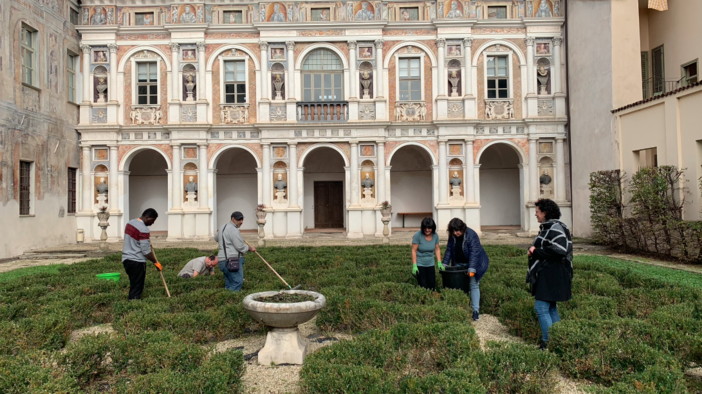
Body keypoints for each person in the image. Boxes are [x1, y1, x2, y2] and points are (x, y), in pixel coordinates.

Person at [526, 199, 573, 350]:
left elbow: (560, 250)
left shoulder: (555, 227)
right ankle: (558, 340)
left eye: (537, 212)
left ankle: (547, 343)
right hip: (550, 272)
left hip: (554, 273)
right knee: (551, 307)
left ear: (545, 213)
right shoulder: (548, 228)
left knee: (540, 307)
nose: (535, 214)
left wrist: (536, 252)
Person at [442, 218, 489, 321]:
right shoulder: (452, 235)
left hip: (474, 263)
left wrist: (471, 269)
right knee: (459, 286)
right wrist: (444, 264)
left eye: (457, 231)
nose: (455, 233)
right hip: (459, 262)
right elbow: (449, 249)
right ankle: (462, 309)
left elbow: (474, 253)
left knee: (473, 285)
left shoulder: (471, 235)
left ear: (462, 228)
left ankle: (475, 311)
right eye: (453, 231)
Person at [122, 208, 161, 300]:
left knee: (133, 284)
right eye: (152, 220)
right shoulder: (144, 230)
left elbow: (136, 238)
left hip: (126, 260)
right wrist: (156, 262)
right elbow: (146, 252)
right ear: (147, 217)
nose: (152, 223)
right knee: (137, 288)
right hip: (137, 262)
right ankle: (133, 308)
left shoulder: (130, 223)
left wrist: (145, 238)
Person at [215, 211, 256, 291]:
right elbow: (239, 247)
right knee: (237, 282)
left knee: (229, 282)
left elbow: (216, 238)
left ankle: (226, 300)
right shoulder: (234, 230)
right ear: (233, 219)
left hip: (222, 261)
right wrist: (249, 248)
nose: (241, 222)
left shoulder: (222, 227)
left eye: (242, 219)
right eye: (239, 220)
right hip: (232, 261)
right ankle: (229, 299)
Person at [411, 217, 441, 290]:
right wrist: (415, 265)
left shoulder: (435, 235)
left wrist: (439, 262)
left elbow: (437, 249)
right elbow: (414, 250)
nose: (427, 230)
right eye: (425, 228)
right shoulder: (418, 235)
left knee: (432, 284)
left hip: (430, 263)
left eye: (429, 228)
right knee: (423, 285)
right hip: (420, 263)